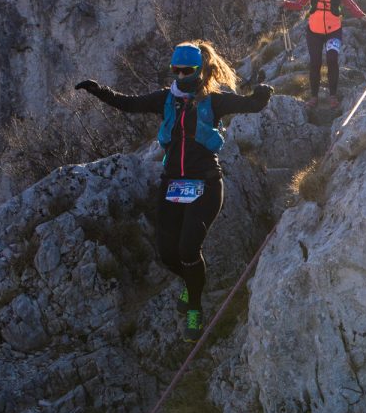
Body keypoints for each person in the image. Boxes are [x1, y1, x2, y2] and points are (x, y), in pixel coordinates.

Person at [75, 41, 274, 342]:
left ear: (199, 70)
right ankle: (192, 283)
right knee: (167, 255)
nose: (180, 75)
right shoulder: (165, 99)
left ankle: (194, 307)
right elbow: (128, 103)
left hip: (206, 183)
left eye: (187, 70)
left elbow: (250, 105)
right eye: (176, 69)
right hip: (173, 184)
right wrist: (97, 89)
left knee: (188, 249)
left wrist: (262, 94)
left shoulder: (214, 100)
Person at [282, 0, 366, 109]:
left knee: (332, 60)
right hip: (314, 32)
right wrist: (285, 3)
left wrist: (363, 16)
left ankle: (333, 96)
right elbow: (299, 4)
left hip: (334, 31)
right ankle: (314, 97)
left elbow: (351, 5)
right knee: (315, 63)